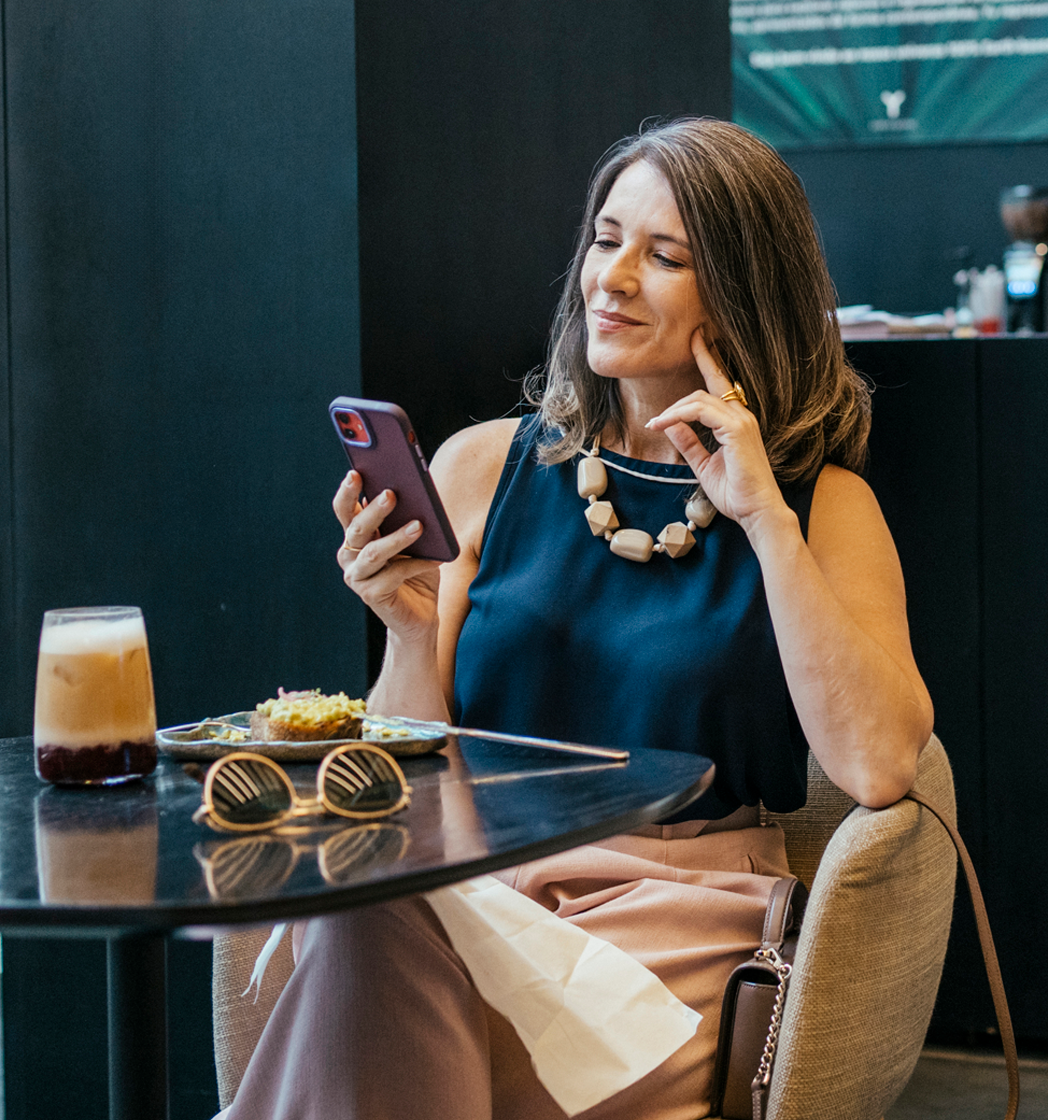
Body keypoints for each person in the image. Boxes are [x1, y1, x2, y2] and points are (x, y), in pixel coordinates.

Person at [220, 117, 932, 1120]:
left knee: (368, 942)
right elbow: (412, 780)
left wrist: (763, 517)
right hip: (476, 897)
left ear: (741, 293)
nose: (614, 276)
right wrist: (409, 629)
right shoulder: (479, 466)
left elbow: (879, 767)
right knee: (369, 905)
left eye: (665, 255)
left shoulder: (818, 508)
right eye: (605, 240)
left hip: (674, 927)